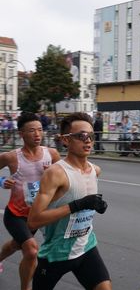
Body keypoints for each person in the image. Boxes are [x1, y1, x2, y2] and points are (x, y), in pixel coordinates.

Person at [27, 112, 111, 290]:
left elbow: (86, 205)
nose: (87, 140)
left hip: (86, 247)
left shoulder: (95, 170)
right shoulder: (56, 173)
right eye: (81, 136)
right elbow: (34, 220)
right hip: (56, 254)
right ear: (66, 140)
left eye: (91, 136)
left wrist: (95, 205)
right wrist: (77, 205)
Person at [0, 112, 60, 290]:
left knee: (16, 245)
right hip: (16, 215)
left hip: (38, 215)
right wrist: (2, 181)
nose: (37, 134)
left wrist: (53, 174)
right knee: (32, 250)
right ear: (21, 134)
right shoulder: (11, 157)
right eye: (32, 130)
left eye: (40, 130)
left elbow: (65, 179)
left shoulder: (52, 154)